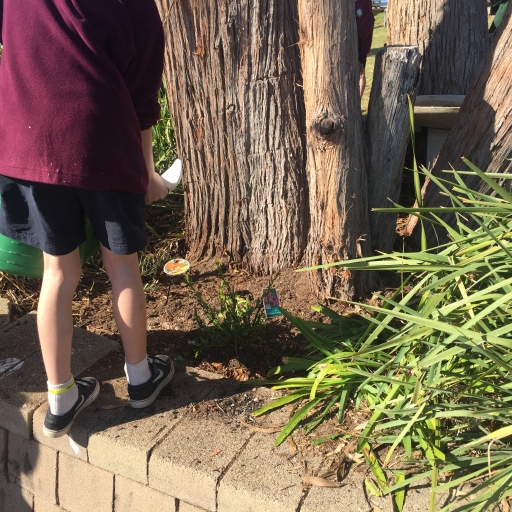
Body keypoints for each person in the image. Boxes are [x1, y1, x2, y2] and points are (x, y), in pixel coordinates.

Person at [0, 0, 175, 438]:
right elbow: (143, 92)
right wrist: (148, 172)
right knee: (122, 265)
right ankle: (140, 377)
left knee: (57, 272)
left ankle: (60, 397)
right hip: (103, 141)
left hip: (31, 145)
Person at [355, 0, 375, 97]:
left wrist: (359, 43)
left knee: (360, 72)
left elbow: (367, 24)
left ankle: (357, 102)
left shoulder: (365, 2)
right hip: (348, 41)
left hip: (360, 43)